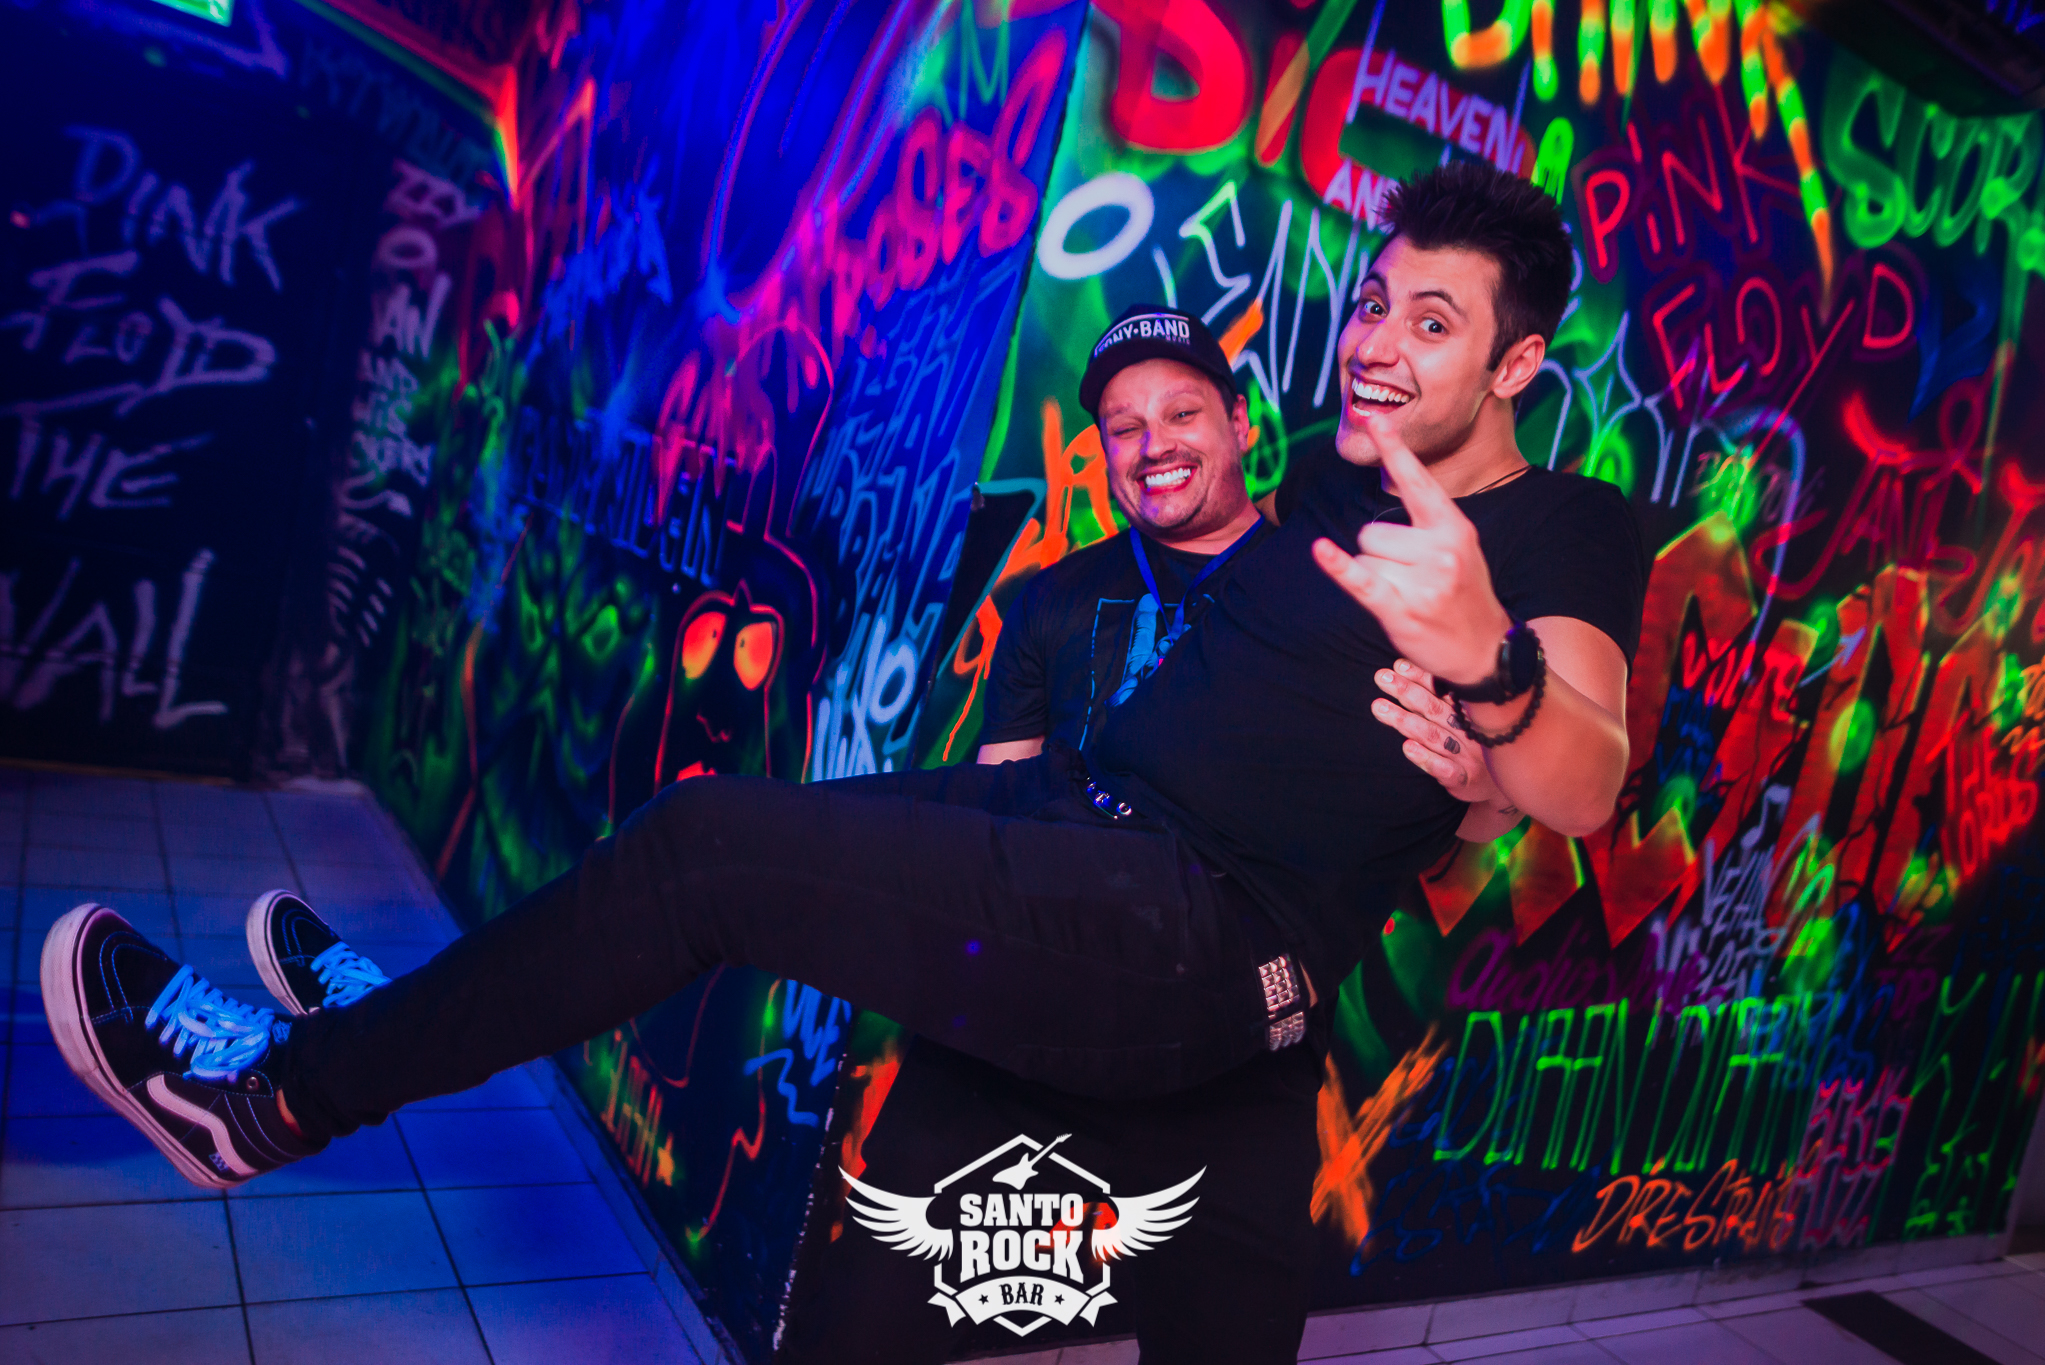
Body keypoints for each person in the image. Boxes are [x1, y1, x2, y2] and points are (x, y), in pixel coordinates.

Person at [41, 163, 1645, 1357]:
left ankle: (270, 1101)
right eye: (1372, 303)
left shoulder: (1556, 529)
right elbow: (1421, 787)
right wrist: (1465, 770)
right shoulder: (1333, 496)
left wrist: (1495, 675)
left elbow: (1585, 777)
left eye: (1433, 323)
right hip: (1084, 835)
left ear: (1515, 369)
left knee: (709, 856)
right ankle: (386, 1022)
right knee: (745, 976)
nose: (1375, 342)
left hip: (1189, 924)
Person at [776, 309, 1519, 1361]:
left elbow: (1466, 817)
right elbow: (996, 812)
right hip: (1031, 1008)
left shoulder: (1340, 591)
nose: (1152, 444)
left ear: (1240, 423)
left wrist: (1480, 774)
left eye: (1180, 413)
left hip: (1240, 1044)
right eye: (1123, 427)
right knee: (859, 1326)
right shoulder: (1050, 602)